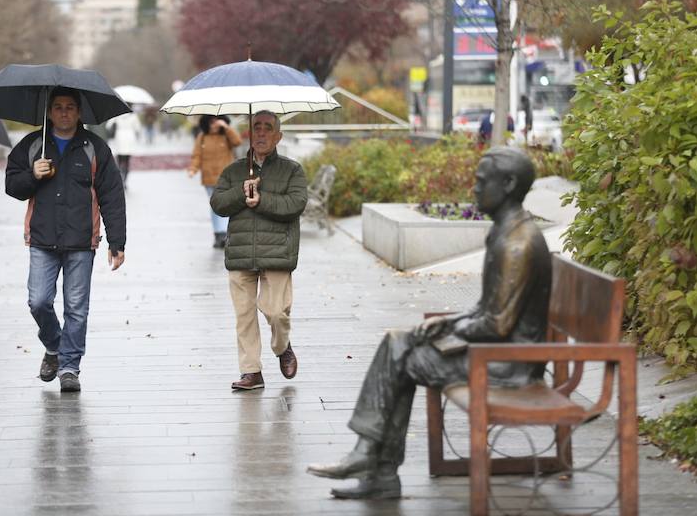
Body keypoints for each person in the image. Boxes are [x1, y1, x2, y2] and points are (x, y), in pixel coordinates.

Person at [307, 147, 552, 499]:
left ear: (509, 184)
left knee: (402, 357)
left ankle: (375, 466)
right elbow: (485, 307)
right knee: (397, 342)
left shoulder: (518, 243)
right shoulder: (505, 231)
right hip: (494, 350)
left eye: (482, 182)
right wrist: (449, 322)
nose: (474, 189)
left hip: (508, 364)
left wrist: (453, 329)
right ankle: (374, 465)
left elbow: (496, 324)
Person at [5, 87, 127, 393]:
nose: (63, 112)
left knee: (76, 307)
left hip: (81, 241)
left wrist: (117, 241)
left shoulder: (95, 148)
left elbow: (112, 195)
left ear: (79, 112)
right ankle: (54, 346)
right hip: (42, 240)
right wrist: (32, 174)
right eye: (57, 107)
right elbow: (12, 186)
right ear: (49, 112)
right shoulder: (33, 146)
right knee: (39, 301)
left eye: (70, 107)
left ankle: (70, 367)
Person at [210, 110, 308, 391]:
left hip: (277, 252)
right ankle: (251, 371)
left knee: (276, 312)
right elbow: (218, 203)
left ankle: (282, 346)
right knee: (244, 316)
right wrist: (242, 192)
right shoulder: (234, 170)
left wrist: (261, 199)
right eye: (256, 127)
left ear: (278, 135)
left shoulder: (292, 170)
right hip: (241, 254)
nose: (262, 133)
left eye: (268, 128)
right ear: (249, 134)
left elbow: (295, 205)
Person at [188, 114, 242, 248]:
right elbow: (196, 155)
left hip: (226, 179)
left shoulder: (226, 135)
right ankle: (218, 234)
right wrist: (193, 169)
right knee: (215, 207)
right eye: (211, 122)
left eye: (217, 121)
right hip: (209, 178)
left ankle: (224, 234)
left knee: (225, 205)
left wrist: (226, 127)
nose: (215, 124)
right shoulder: (202, 137)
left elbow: (237, 142)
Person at [108, 111, 142, 183]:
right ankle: (125, 179)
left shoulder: (116, 115)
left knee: (119, 160)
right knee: (127, 161)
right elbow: (138, 128)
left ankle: (120, 177)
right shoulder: (133, 116)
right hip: (129, 137)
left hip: (119, 137)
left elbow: (108, 126)